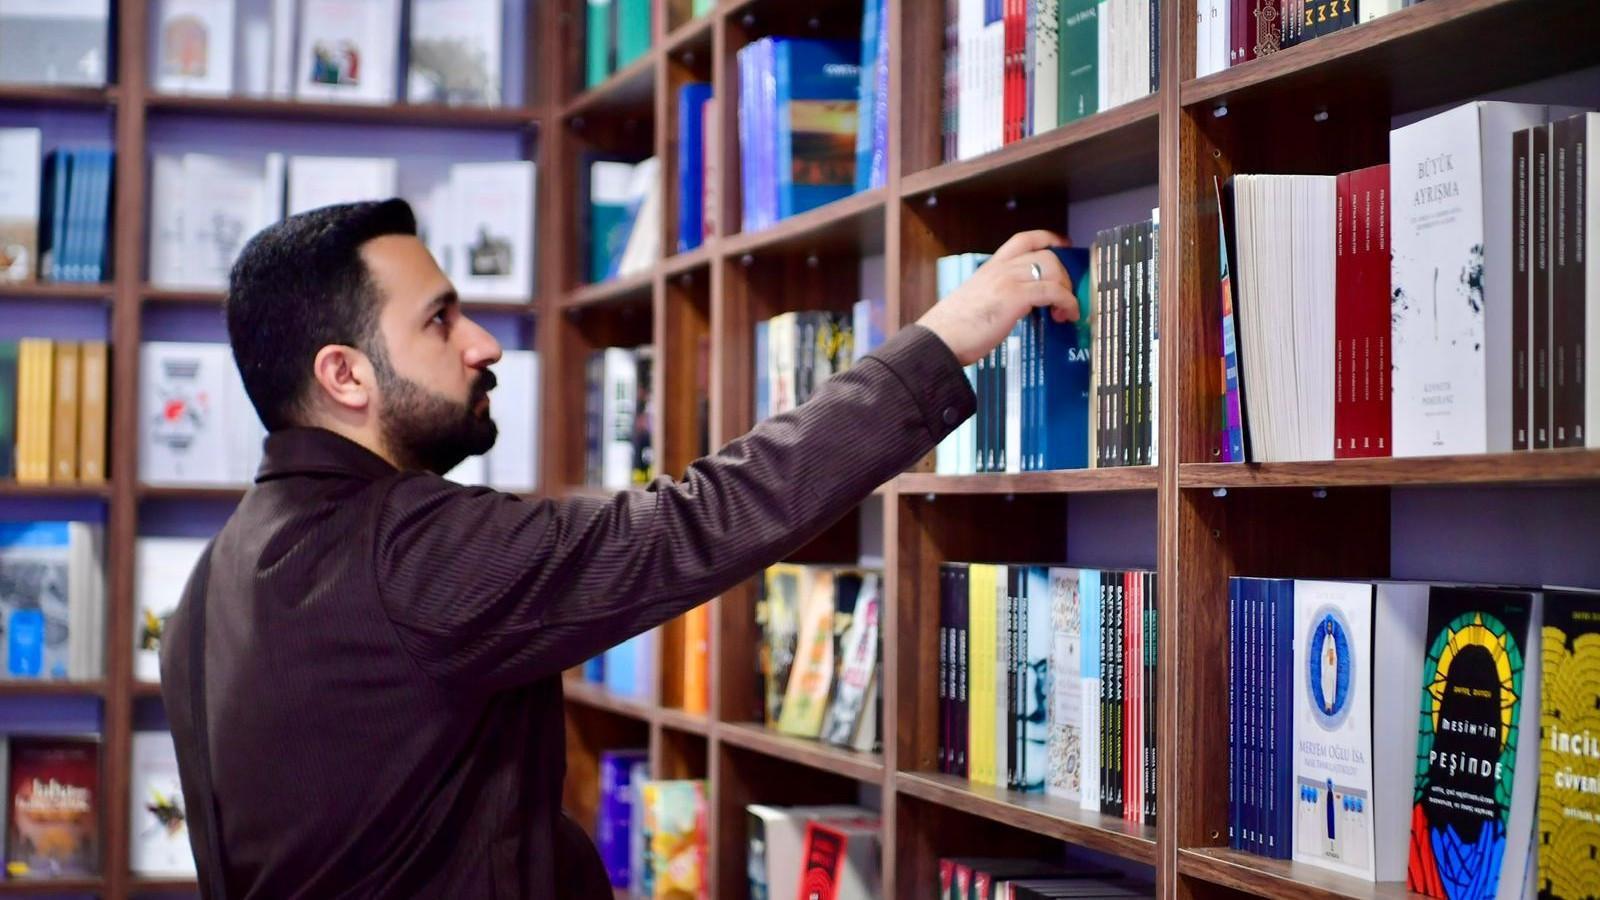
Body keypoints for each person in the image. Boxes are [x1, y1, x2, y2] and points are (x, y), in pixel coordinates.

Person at [159, 199, 1079, 899]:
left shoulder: (209, 588)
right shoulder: (407, 550)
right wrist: (943, 341)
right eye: (441, 319)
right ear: (345, 374)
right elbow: (694, 522)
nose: (484, 344)